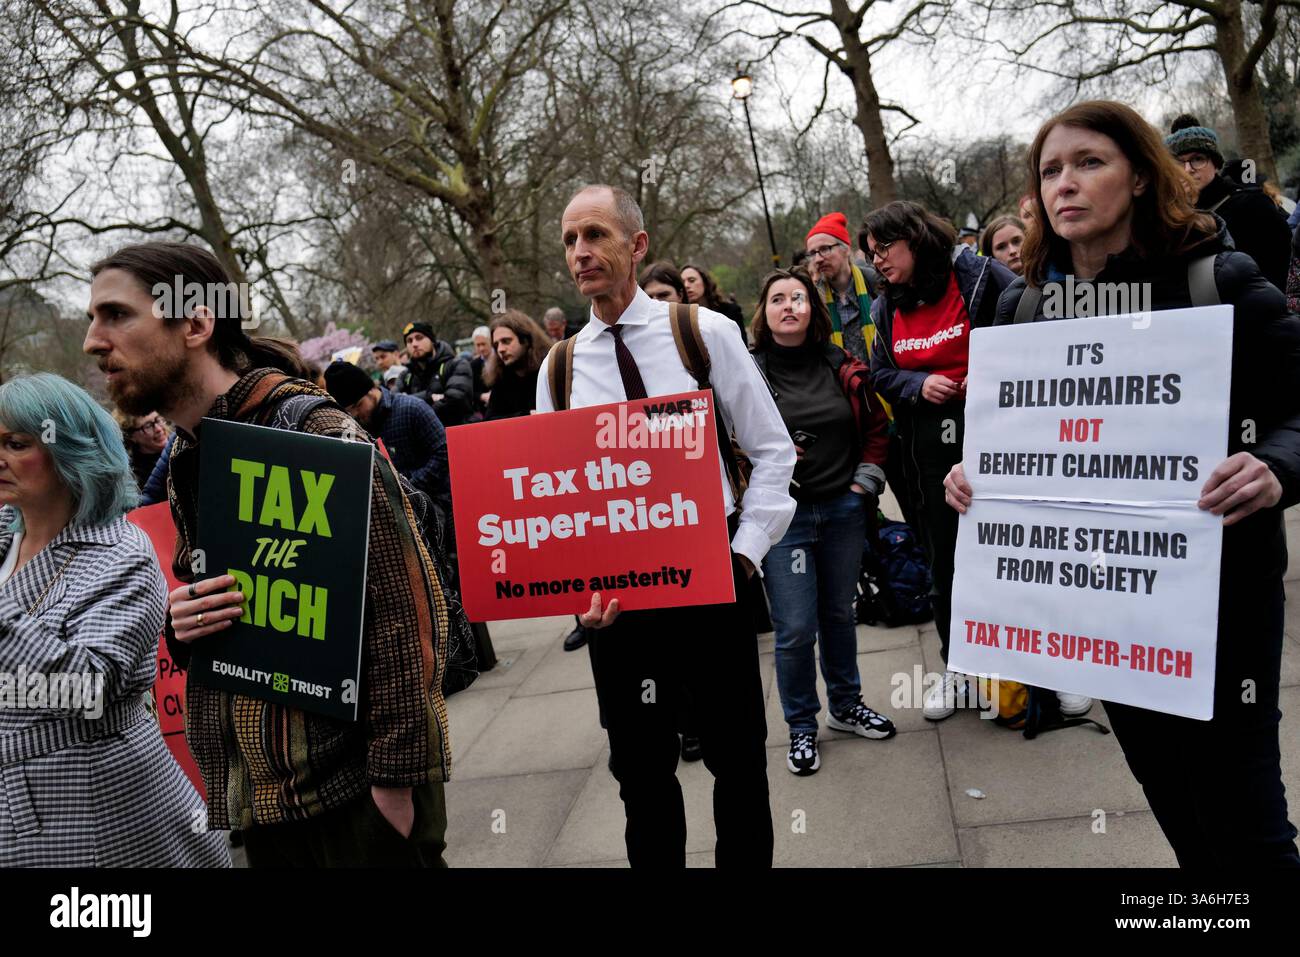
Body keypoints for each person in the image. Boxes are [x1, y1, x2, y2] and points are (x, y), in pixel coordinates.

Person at [945, 100, 1300, 867]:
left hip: (1222, 600)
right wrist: (977, 476)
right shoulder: (1025, 302)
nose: (1063, 185)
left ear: (1140, 176)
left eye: (1089, 163)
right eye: (1048, 171)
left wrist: (1275, 466)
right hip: (1104, 613)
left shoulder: (1218, 277)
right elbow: (1014, 435)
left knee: (1249, 823)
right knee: (1177, 805)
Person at [83, 241, 453, 867]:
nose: (94, 340)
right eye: (93, 319)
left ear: (196, 323)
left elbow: (408, 610)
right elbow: (224, 606)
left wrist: (394, 786)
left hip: (354, 806)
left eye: (117, 315)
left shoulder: (311, 432)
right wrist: (185, 623)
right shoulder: (186, 456)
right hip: (263, 803)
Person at [537, 184, 796, 867]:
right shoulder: (559, 368)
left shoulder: (703, 333)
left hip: (713, 580)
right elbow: (547, 501)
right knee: (641, 776)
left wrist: (743, 554)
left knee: (739, 761)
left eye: (595, 233)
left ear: (638, 244)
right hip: (620, 609)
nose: (581, 252)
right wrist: (573, 590)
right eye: (569, 240)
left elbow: (773, 450)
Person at [0, 372, 229, 867]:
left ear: (72, 451)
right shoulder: (4, 535)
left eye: (16, 443)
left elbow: (88, 691)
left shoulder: (119, 552)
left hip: (100, 816)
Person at [863, 200, 1021, 721]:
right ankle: (959, 669)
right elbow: (879, 373)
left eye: (884, 248)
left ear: (914, 237)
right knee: (946, 558)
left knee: (1018, 550)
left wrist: (996, 376)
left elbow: (1033, 333)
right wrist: (916, 383)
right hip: (928, 446)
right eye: (871, 253)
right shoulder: (886, 305)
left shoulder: (978, 275)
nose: (877, 261)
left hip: (1000, 434)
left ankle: (1040, 671)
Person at [749, 269, 896, 776]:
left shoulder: (840, 364)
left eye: (798, 297)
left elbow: (878, 427)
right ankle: (801, 727)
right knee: (793, 628)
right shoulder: (749, 373)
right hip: (783, 520)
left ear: (813, 308)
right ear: (764, 313)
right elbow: (725, 439)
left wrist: (863, 488)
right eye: (777, 299)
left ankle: (846, 705)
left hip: (842, 511)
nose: (788, 306)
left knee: (839, 614)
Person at [1165, 114, 1292, 291]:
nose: (1188, 170)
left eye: (1198, 159)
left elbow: (1285, 271)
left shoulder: (1253, 206)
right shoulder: (1171, 219)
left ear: (1216, 164)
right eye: (1179, 163)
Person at [323, 359, 451, 516]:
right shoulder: (353, 426)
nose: (355, 414)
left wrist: (409, 487)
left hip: (433, 505)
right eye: (349, 411)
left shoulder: (412, 408)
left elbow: (444, 451)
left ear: (371, 390)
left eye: (358, 405)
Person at [398, 321, 475, 426]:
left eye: (419, 338)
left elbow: (455, 401)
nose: (414, 344)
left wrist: (410, 402)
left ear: (432, 340)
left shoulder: (456, 365)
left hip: (456, 433)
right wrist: (429, 397)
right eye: (409, 341)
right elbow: (395, 405)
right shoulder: (405, 376)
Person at [483, 310, 550, 420]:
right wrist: (526, 416)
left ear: (525, 340)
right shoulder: (501, 378)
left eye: (506, 341)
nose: (500, 349)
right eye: (496, 345)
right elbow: (489, 421)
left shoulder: (549, 370)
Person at [681, 263, 748, 345]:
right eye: (682, 282)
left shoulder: (730, 311)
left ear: (704, 282)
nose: (686, 285)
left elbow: (742, 345)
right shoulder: (680, 318)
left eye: (692, 280)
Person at [114, 408, 170, 491]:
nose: (158, 429)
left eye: (158, 420)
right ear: (131, 436)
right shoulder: (137, 477)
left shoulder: (181, 441)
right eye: (148, 426)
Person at [469, 325, 492, 419]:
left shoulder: (501, 360)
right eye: (478, 345)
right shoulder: (473, 365)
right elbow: (471, 391)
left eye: (484, 344)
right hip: (485, 412)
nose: (481, 348)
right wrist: (482, 396)